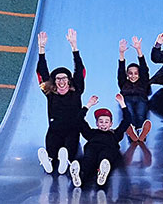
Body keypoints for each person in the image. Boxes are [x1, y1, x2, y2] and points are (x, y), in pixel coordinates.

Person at [36, 29, 85, 175]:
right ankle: (49, 160)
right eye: (58, 79)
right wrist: (42, 49)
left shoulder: (77, 90)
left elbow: (79, 70)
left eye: (64, 78)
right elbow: (42, 71)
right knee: (52, 142)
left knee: (70, 145)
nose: (61, 81)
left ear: (69, 80)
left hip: (72, 127)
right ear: (54, 81)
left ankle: (66, 160)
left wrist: (74, 46)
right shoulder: (50, 93)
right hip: (56, 128)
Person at [69, 94, 131, 187]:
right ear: (97, 124)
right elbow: (79, 120)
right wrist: (88, 105)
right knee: (88, 160)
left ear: (111, 124)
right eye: (101, 122)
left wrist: (122, 104)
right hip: (92, 148)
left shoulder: (115, 134)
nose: (103, 124)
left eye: (106, 122)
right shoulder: (91, 133)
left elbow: (127, 121)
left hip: (108, 148)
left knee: (105, 156)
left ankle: (102, 172)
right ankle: (79, 175)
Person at [118, 36, 152, 142]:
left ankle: (141, 132)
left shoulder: (143, 82)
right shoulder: (124, 83)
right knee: (130, 113)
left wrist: (139, 50)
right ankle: (131, 132)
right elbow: (120, 70)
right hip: (127, 98)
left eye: (136, 73)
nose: (133, 76)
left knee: (140, 113)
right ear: (127, 75)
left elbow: (144, 68)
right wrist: (121, 53)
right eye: (130, 73)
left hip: (141, 97)